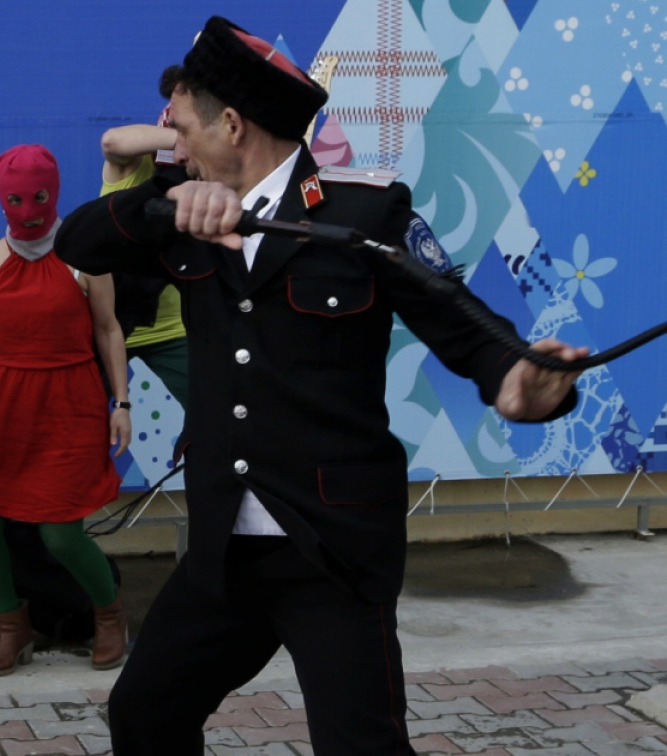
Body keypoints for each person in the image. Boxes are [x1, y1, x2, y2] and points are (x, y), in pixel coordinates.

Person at [54, 16, 586, 755]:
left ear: (232, 125)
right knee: (143, 715)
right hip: (222, 551)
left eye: (183, 128)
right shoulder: (183, 203)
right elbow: (76, 241)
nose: (174, 143)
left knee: (361, 746)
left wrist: (517, 382)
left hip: (330, 551)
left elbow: (461, 324)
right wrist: (161, 208)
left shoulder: (362, 210)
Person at [0, 144, 131, 676]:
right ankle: (12, 626)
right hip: (2, 406)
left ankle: (109, 613)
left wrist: (121, 402)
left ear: (55, 192)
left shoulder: (86, 258)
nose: (28, 209)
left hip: (69, 404)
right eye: (15, 199)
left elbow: (108, 330)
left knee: (60, 532)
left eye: (40, 196)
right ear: (0, 198)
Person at [99, 109, 192, 409]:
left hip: (173, 329)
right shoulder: (131, 166)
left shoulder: (202, 173)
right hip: (108, 324)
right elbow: (111, 141)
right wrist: (184, 138)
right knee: (76, 418)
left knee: (216, 412)